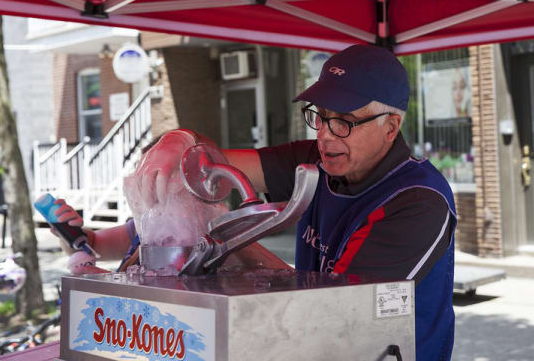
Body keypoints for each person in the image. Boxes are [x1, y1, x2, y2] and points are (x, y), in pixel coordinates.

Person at [59, 44, 456, 360]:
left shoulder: (418, 202)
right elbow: (211, 163)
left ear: (391, 127)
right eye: (320, 116)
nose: (327, 135)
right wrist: (176, 143)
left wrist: (229, 241)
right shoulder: (321, 158)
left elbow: (335, 310)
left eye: (345, 121)